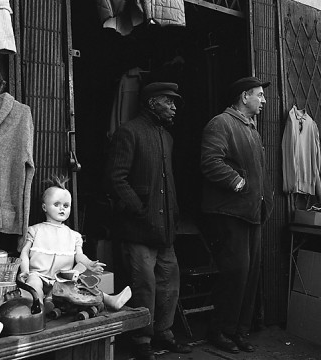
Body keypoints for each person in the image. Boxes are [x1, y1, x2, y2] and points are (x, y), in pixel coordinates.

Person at [106, 82, 191, 360]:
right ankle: (141, 339)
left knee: (170, 281)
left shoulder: (166, 136)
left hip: (164, 228)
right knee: (144, 285)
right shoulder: (128, 132)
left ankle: (164, 331)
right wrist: (139, 208)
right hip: (139, 228)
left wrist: (173, 212)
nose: (174, 107)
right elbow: (116, 178)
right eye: (170, 102)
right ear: (153, 102)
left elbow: (168, 182)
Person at [200, 76, 274, 354]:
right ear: (244, 97)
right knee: (235, 274)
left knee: (250, 275)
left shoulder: (250, 129)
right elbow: (210, 162)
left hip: (251, 212)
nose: (263, 100)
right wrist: (237, 182)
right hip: (230, 213)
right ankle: (220, 331)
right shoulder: (221, 123)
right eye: (259, 95)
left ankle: (239, 331)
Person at [19, 176, 131, 312]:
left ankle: (110, 300)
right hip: (38, 275)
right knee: (34, 286)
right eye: (56, 205)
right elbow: (24, 252)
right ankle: (39, 306)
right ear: (44, 207)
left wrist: (90, 264)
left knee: (83, 286)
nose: (62, 209)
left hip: (62, 279)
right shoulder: (35, 230)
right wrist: (25, 271)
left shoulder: (74, 236)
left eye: (66, 206)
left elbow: (79, 256)